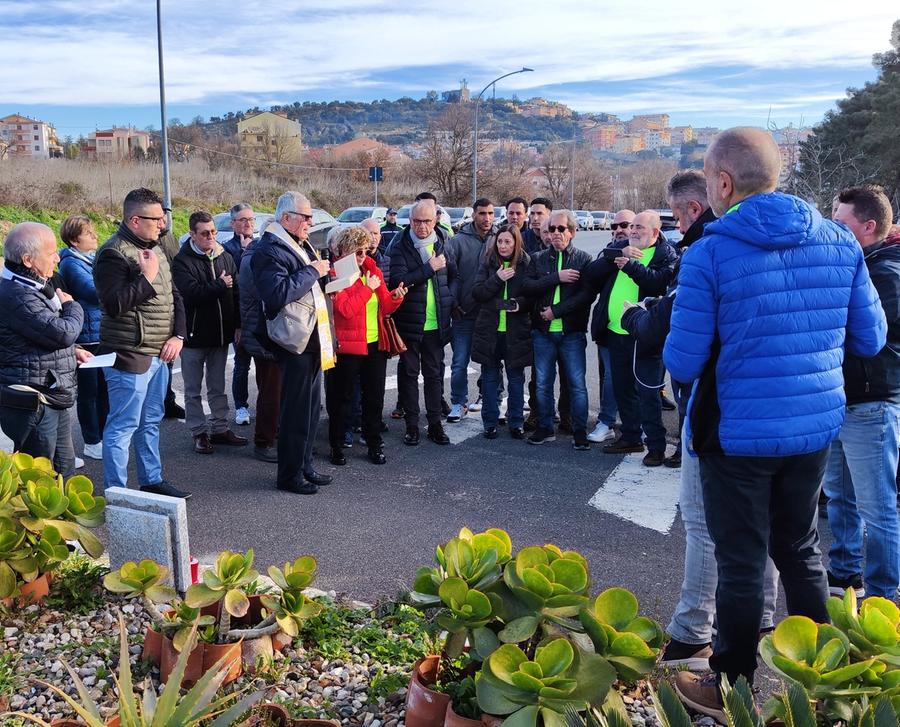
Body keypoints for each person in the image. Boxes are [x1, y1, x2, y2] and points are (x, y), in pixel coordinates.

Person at [665, 128, 887, 719]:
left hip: (735, 434)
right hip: (813, 427)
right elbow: (872, 338)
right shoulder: (840, 244)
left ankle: (727, 685)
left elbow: (683, 361)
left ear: (723, 181)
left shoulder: (709, 251)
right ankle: (824, 674)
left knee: (742, 561)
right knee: (800, 547)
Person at [823, 184, 900, 599]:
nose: (832, 231)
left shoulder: (886, 273)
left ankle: (883, 597)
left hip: (871, 404)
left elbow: (862, 335)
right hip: (844, 400)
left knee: (878, 508)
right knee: (840, 497)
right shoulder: (864, 264)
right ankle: (843, 574)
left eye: (840, 223)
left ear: (868, 227)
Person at [94, 188, 190, 498]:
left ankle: (152, 480)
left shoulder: (158, 247)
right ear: (135, 220)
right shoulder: (112, 253)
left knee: (151, 422)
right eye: (157, 219)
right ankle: (117, 494)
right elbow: (112, 305)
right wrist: (146, 278)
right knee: (122, 427)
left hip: (161, 353)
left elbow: (174, 296)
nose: (163, 224)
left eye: (164, 217)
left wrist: (178, 335)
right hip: (128, 355)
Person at [252, 191, 334, 495]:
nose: (310, 223)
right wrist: (314, 270)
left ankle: (305, 466)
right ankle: (289, 475)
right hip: (293, 340)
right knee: (295, 411)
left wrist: (327, 275)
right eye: (305, 217)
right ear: (286, 218)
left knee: (312, 409)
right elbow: (277, 294)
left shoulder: (298, 243)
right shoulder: (269, 250)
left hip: (312, 337)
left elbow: (307, 285)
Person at [585, 210, 676, 466]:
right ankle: (631, 436)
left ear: (655, 232)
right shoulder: (619, 248)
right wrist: (619, 254)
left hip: (643, 334)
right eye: (632, 226)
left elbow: (659, 285)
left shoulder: (665, 254)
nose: (633, 231)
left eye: (640, 228)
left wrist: (631, 266)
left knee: (647, 391)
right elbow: (592, 272)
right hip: (615, 332)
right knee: (623, 388)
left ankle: (656, 446)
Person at [0, 223, 84, 473]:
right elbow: (62, 332)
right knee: (40, 475)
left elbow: (39, 335)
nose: (58, 258)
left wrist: (73, 351)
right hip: (33, 398)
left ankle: (62, 513)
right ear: (28, 260)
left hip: (49, 392)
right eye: (51, 253)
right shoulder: (16, 294)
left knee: (64, 467)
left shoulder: (31, 287)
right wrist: (72, 306)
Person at [326, 227, 407, 466]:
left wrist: (396, 296)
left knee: (374, 398)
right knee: (341, 399)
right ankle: (337, 444)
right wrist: (367, 288)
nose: (362, 256)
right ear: (344, 251)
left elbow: (386, 305)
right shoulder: (337, 273)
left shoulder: (372, 269)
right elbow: (345, 310)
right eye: (357, 252)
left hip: (375, 345)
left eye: (365, 250)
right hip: (347, 347)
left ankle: (374, 442)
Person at [172, 210, 247, 455]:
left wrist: (237, 324)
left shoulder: (224, 256)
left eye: (213, 232)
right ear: (192, 234)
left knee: (217, 387)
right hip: (193, 337)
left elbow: (237, 293)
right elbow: (190, 294)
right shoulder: (182, 261)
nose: (211, 237)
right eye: (205, 233)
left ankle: (220, 428)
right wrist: (219, 285)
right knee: (193, 389)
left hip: (220, 335)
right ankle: (199, 433)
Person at [522, 209, 594, 449]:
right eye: (551, 229)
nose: (555, 234)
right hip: (542, 332)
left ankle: (579, 430)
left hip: (571, 333)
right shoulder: (539, 258)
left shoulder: (584, 259)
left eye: (561, 229)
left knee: (576, 383)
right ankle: (544, 427)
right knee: (542, 383)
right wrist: (556, 277)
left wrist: (557, 311)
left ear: (572, 232)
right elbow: (528, 287)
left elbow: (586, 296)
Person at [388, 199, 456, 446]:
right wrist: (429, 268)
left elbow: (453, 277)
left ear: (435, 220)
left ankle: (435, 424)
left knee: (434, 375)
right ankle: (412, 425)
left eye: (427, 221)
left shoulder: (444, 243)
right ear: (410, 221)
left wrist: (450, 302)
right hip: (408, 323)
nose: (422, 226)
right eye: (416, 221)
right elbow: (398, 282)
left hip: (436, 323)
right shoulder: (400, 245)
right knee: (408, 375)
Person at [472, 224, 532, 439]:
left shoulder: (526, 263)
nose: (503, 245)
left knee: (516, 379)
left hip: (516, 331)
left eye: (508, 241)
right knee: (489, 377)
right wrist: (498, 278)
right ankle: (490, 422)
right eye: (500, 241)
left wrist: (517, 304)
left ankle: (516, 422)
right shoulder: (488, 263)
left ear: (516, 243)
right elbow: (478, 293)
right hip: (490, 331)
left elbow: (532, 296)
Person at [58, 215, 108, 461]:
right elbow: (94, 292)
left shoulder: (88, 260)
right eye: (89, 233)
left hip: (99, 332)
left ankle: (102, 434)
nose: (95, 236)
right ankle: (91, 440)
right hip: (86, 336)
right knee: (90, 391)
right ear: (75, 239)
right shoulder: (70, 263)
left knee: (104, 389)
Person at [446, 198, 495, 422]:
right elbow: (448, 276)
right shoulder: (457, 242)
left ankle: (490, 397)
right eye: (482, 213)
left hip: (489, 315)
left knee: (492, 361)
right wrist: (453, 304)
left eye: (491, 214)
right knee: (459, 363)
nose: (487, 218)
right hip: (463, 314)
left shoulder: (500, 240)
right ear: (474, 215)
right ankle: (459, 402)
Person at [236, 230, 283, 464]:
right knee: (270, 392)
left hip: (264, 333)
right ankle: (264, 442)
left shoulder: (253, 254)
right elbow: (272, 293)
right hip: (264, 335)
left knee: (275, 391)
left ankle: (274, 435)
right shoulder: (256, 258)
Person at [223, 203, 257, 427]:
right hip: (242, 318)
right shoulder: (227, 250)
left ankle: (266, 405)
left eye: (251, 219)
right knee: (242, 363)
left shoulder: (263, 244)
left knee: (267, 365)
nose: (248, 223)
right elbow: (233, 291)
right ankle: (241, 407)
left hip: (263, 316)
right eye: (242, 219)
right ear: (233, 223)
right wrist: (237, 324)